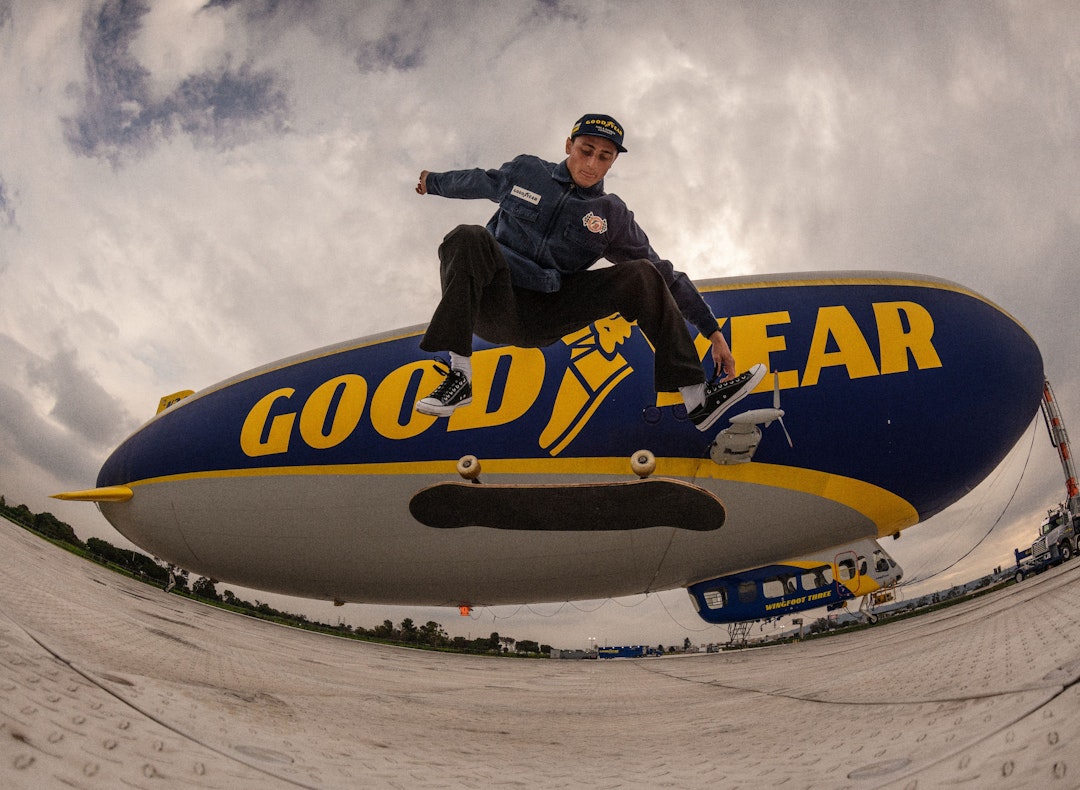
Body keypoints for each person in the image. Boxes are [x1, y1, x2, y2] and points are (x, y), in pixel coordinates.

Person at [413, 113, 764, 431]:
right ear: (569, 145)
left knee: (643, 273)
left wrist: (713, 332)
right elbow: (479, 180)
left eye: (604, 157)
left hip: (546, 312)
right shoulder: (527, 171)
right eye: (586, 151)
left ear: (613, 161)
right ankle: (460, 374)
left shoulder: (610, 214)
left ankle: (696, 398)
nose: (591, 164)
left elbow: (665, 276)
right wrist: (433, 182)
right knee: (467, 236)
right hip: (495, 301)